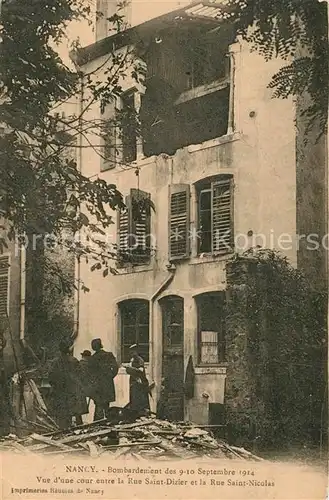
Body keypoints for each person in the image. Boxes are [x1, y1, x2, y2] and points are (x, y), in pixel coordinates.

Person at [48, 340, 88, 429]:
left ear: (59, 350)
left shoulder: (56, 362)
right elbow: (81, 374)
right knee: (76, 413)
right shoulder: (74, 360)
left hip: (61, 392)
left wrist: (55, 385)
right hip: (73, 391)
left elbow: (51, 377)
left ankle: (64, 431)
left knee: (63, 416)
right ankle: (79, 431)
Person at [89, 338, 118, 421]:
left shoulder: (93, 358)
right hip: (107, 384)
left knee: (99, 405)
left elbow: (90, 373)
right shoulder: (109, 355)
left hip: (97, 385)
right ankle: (106, 422)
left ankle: (98, 423)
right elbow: (115, 367)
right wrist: (110, 376)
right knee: (106, 404)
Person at [125, 344, 150, 417]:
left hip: (140, 382)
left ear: (136, 351)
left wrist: (132, 370)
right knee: (134, 398)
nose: (131, 354)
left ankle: (141, 413)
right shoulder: (132, 360)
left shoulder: (140, 360)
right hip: (133, 382)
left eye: (133, 352)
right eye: (131, 352)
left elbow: (140, 371)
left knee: (140, 399)